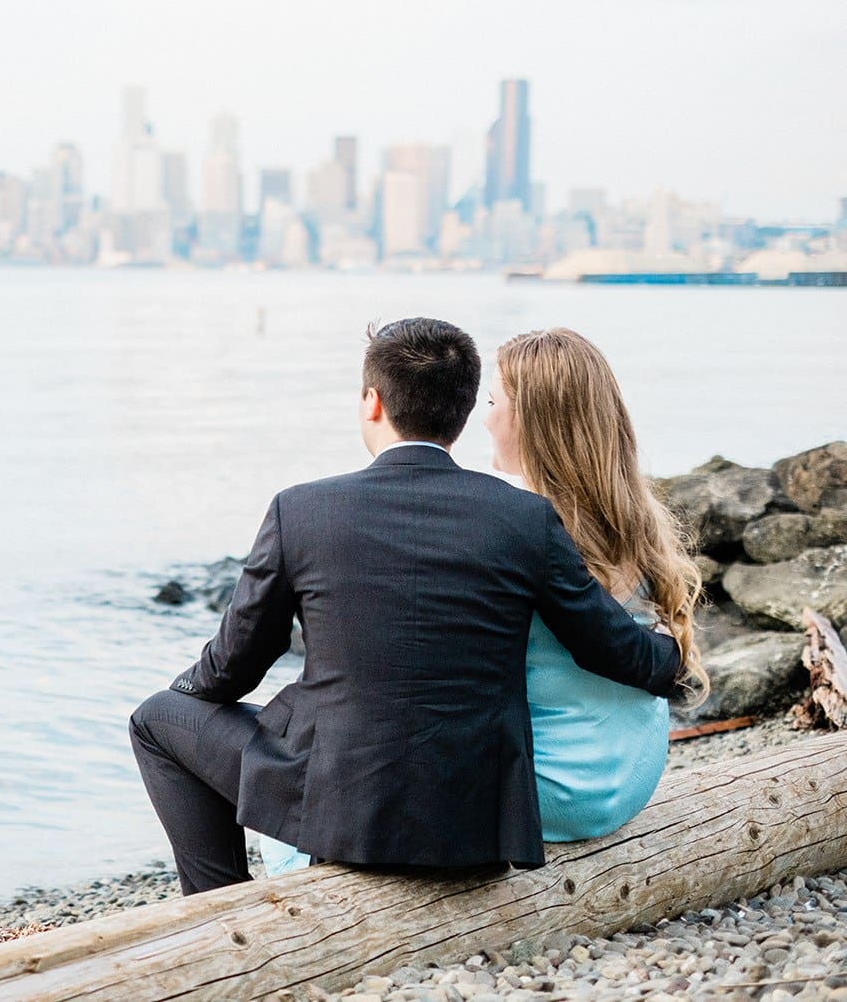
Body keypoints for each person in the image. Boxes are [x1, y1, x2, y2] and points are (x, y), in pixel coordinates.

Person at [128, 317, 685, 896]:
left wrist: (189, 690)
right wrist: (673, 655)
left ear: (372, 402)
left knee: (157, 719)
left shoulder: (301, 509)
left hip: (345, 808)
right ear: (465, 413)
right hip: (481, 817)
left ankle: (218, 906)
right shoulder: (524, 519)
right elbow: (613, 649)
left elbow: (232, 667)